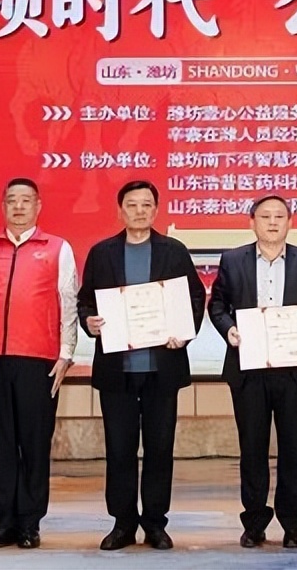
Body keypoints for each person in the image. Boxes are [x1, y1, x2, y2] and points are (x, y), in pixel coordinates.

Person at [77, 180, 206, 551]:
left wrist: (183, 333)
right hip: (117, 369)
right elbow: (86, 302)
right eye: (132, 205)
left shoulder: (174, 251)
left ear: (156, 210)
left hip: (161, 368)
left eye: (146, 204)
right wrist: (89, 322)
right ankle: (122, 524)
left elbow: (194, 298)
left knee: (159, 449)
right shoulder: (102, 253)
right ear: (120, 210)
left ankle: (155, 523)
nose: (139, 211)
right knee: (119, 450)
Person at [0, 177, 78, 550]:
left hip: (38, 360)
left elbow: (68, 303)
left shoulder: (57, 248)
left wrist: (66, 353)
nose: (19, 206)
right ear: (3, 206)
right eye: (12, 200)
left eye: (26, 200)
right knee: (2, 444)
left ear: (38, 206)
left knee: (34, 443)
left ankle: (30, 522)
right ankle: (4, 522)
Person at [208, 194, 297, 550]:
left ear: (290, 222)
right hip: (248, 369)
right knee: (252, 448)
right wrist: (229, 329)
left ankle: (293, 524)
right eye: (265, 216)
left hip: (293, 371)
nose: (273, 222)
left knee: (293, 448)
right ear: (252, 222)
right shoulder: (233, 260)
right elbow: (217, 304)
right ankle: (254, 522)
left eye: (279, 216)